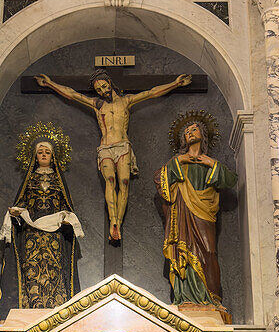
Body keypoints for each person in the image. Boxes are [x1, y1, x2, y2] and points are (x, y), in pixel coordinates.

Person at [35, 69, 191, 242]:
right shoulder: (97, 104)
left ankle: (119, 222)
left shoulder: (126, 101)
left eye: (104, 86)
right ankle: (113, 222)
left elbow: (152, 93)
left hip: (123, 147)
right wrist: (49, 83)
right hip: (106, 148)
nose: (103, 91)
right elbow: (72, 94)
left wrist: (176, 83)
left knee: (124, 183)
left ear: (109, 82)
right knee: (110, 181)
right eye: (99, 90)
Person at [0, 138, 83, 321]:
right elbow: (22, 202)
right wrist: (16, 212)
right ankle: (32, 305)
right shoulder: (30, 180)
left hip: (54, 235)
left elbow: (66, 205)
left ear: (53, 157)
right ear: (35, 156)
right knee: (31, 267)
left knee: (53, 269)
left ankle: (55, 308)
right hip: (32, 233)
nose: (44, 155)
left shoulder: (58, 181)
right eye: (40, 152)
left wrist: (67, 220)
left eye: (47, 152)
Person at [154, 120, 236, 310]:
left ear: (203, 134)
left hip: (204, 215)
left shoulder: (209, 163)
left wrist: (211, 163)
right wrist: (179, 161)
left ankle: (212, 299)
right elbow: (159, 179)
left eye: (194, 129)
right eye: (187, 131)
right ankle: (186, 298)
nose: (190, 133)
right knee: (184, 252)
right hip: (182, 214)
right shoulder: (178, 162)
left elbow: (230, 180)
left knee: (209, 251)